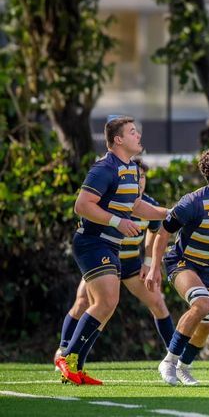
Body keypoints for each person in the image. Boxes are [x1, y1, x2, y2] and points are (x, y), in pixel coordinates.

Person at [55, 116, 169, 386]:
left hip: (108, 245)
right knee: (104, 302)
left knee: (107, 304)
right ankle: (67, 357)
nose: (138, 135)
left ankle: (75, 367)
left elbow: (138, 207)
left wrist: (173, 214)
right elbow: (82, 205)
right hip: (92, 243)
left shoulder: (129, 168)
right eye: (132, 132)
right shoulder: (105, 167)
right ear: (118, 140)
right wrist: (118, 221)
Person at [147, 147, 209, 386]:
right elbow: (162, 233)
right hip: (182, 262)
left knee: (207, 322)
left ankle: (183, 367)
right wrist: (154, 267)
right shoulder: (193, 202)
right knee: (201, 304)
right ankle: (168, 361)